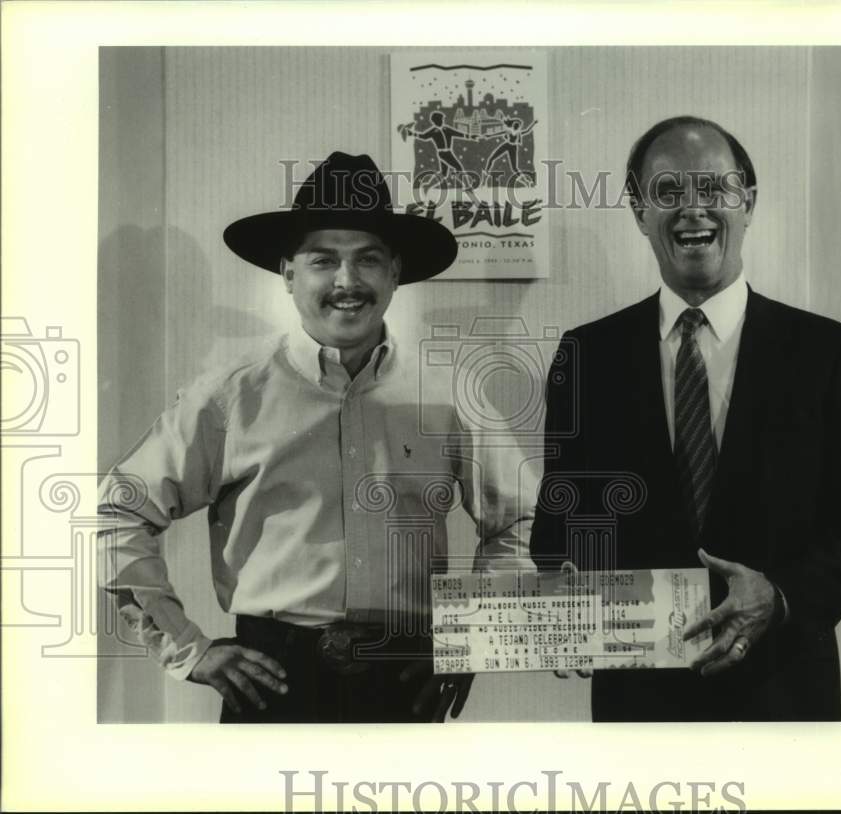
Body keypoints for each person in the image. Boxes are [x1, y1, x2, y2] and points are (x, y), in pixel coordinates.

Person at [97, 150, 536, 723]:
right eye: (324, 260)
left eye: (368, 260)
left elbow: (521, 521)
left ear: (396, 272)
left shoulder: (451, 394)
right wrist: (188, 649)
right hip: (270, 684)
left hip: (404, 682)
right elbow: (117, 511)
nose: (347, 282)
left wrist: (474, 636)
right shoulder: (229, 396)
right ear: (288, 274)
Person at [530, 115, 841, 721]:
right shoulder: (587, 355)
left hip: (784, 700)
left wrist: (780, 595)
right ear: (639, 213)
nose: (693, 210)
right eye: (668, 192)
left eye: (713, 189)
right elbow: (557, 524)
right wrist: (561, 588)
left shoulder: (828, 352)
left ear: (748, 203)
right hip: (639, 708)